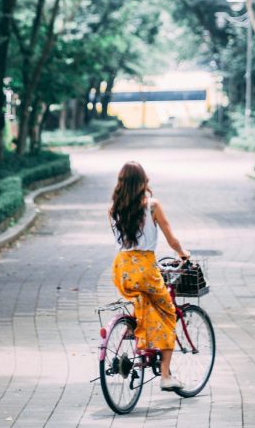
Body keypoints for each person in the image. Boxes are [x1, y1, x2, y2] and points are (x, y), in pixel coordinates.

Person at [109, 161, 190, 392]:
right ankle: (165, 375)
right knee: (168, 312)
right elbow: (171, 239)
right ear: (143, 182)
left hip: (121, 268)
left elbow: (124, 241)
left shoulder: (113, 208)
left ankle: (139, 337)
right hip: (144, 267)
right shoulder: (152, 206)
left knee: (142, 301)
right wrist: (183, 254)